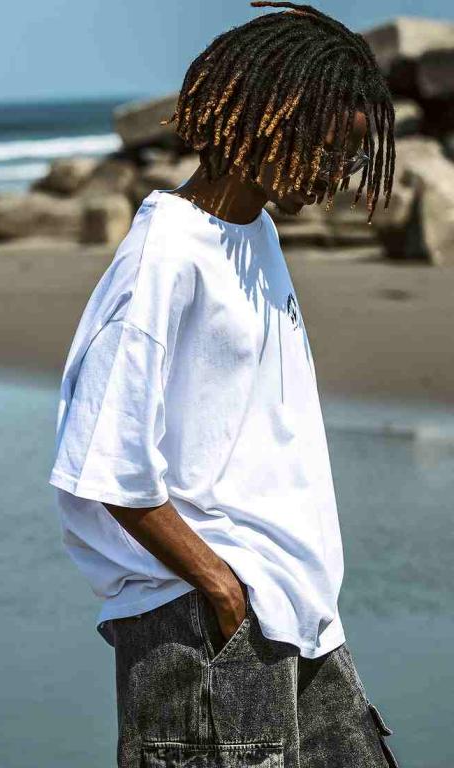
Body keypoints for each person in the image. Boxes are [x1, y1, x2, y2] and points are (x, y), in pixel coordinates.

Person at [48, 2, 400, 766]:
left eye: (350, 158)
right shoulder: (165, 254)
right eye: (330, 150)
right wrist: (222, 590)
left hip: (297, 615)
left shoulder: (256, 233)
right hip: (206, 625)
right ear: (271, 120)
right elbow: (104, 462)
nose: (338, 175)